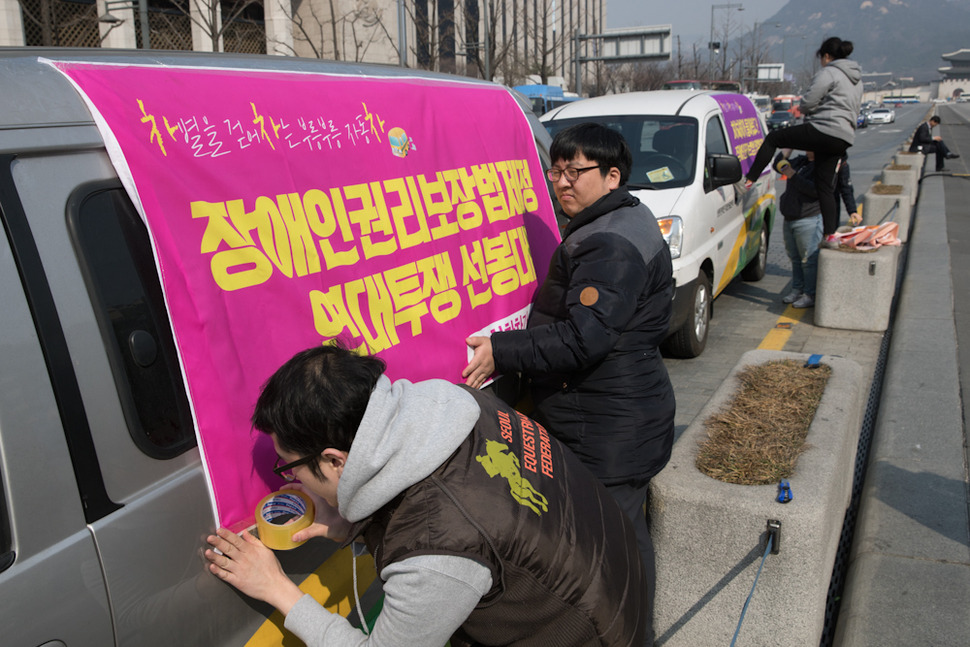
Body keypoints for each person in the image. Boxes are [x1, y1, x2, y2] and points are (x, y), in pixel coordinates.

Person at [204, 345, 649, 647]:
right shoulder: (456, 405)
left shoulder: (438, 551)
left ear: (337, 461)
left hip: (592, 632)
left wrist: (279, 590)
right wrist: (351, 524)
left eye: (291, 466)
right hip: (613, 571)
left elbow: (444, 533)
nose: (292, 481)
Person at [461, 122, 676, 639]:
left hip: (606, 427)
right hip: (624, 413)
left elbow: (584, 339)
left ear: (611, 175)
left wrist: (500, 351)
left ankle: (628, 635)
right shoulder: (627, 217)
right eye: (555, 170)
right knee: (624, 537)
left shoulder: (609, 244)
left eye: (575, 171)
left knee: (613, 547)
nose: (560, 182)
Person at [739, 37, 863, 236]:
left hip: (824, 129)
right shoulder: (856, 80)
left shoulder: (829, 72)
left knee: (774, 139)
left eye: (821, 58)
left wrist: (808, 107)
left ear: (827, 56)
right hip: (844, 138)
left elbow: (808, 103)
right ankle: (830, 235)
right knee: (825, 188)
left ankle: (749, 179)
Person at [776, 153, 823, 309]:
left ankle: (810, 294)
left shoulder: (822, 166)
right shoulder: (800, 161)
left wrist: (791, 174)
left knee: (808, 260)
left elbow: (813, 190)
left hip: (808, 218)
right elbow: (777, 164)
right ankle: (797, 289)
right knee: (795, 257)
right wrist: (786, 150)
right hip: (790, 216)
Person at [835, 153, 862, 227]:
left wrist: (852, 211)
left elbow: (846, 189)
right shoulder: (804, 163)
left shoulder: (842, 164)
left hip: (831, 210)